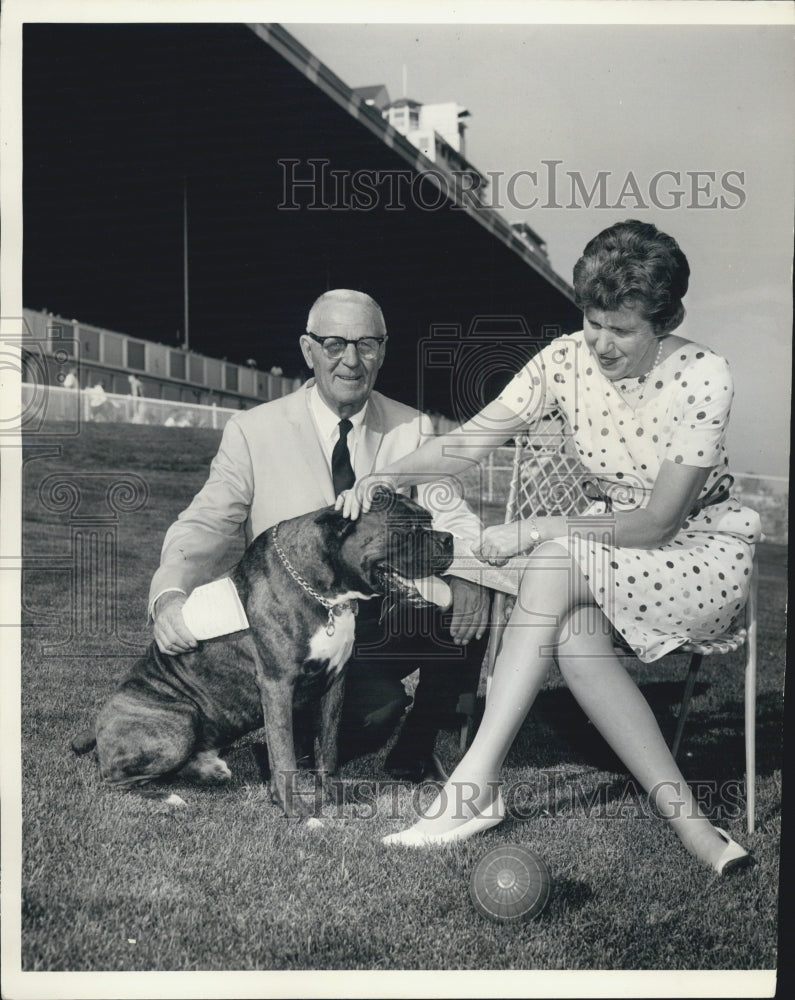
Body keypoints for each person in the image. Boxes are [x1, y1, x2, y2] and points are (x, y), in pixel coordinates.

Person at [340, 221, 760, 873]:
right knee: (570, 636)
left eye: (620, 329)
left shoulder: (703, 374)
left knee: (552, 557)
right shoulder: (564, 360)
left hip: (695, 554)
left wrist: (537, 530)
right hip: (601, 555)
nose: (600, 342)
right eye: (591, 320)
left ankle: (473, 785)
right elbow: (468, 441)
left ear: (665, 318)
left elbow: (655, 522)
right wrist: (387, 475)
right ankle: (693, 828)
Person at [149, 289, 490, 782]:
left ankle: (415, 750)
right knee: (377, 710)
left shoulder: (410, 428)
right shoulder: (252, 431)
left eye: (366, 344)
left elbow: (453, 515)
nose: (351, 360)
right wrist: (169, 594)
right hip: (298, 629)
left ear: (383, 350)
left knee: (474, 599)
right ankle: (284, 750)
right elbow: (204, 525)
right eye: (334, 344)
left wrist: (471, 574)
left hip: (377, 616)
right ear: (308, 350)